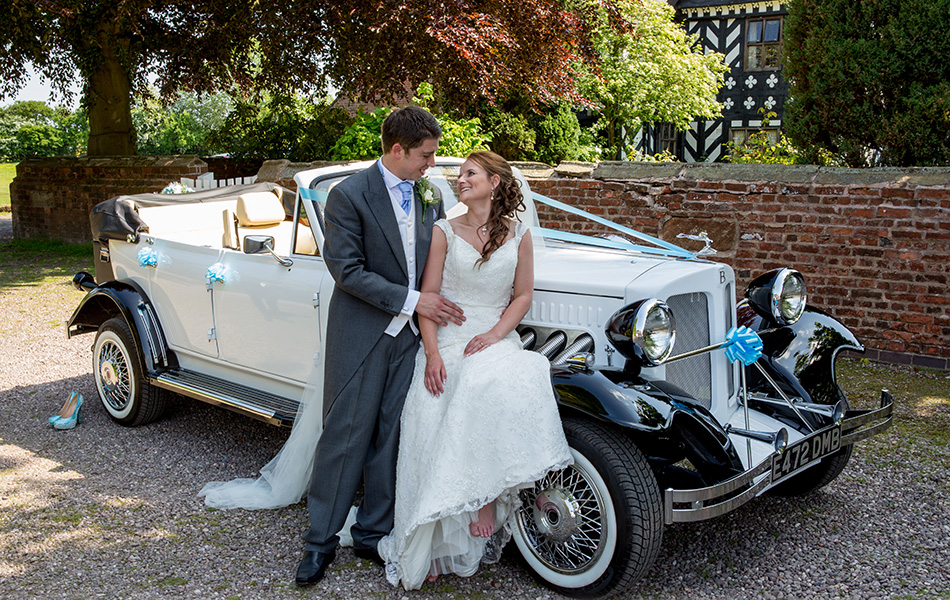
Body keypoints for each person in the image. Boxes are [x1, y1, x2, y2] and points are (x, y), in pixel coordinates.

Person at [376, 151, 573, 590]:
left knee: (514, 374)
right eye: (460, 174)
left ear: (495, 182)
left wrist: (495, 334)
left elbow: (522, 296)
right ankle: (425, 537)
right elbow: (427, 299)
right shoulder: (444, 231)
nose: (460, 180)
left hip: (495, 333)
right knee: (443, 395)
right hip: (446, 337)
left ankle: (493, 494)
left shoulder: (519, 234)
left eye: (470, 174)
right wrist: (432, 355)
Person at [289, 106, 466, 586]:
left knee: (392, 438)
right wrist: (415, 302)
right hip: (363, 334)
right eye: (425, 156)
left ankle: (371, 533)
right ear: (396, 149)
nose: (431, 165)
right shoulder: (349, 196)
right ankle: (320, 542)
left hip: (412, 340)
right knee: (345, 437)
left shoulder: (429, 195)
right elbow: (347, 271)